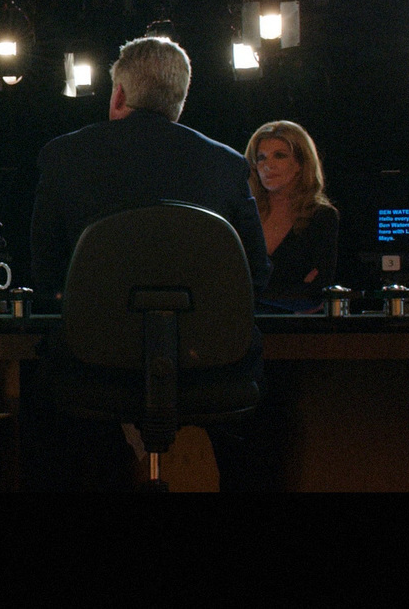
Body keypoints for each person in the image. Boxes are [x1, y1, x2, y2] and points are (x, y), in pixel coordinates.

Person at [26, 35, 271, 490]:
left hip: (90, 369)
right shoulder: (227, 165)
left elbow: (45, 273)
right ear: (179, 102)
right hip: (212, 371)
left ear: (118, 94)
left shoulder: (63, 157)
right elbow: (256, 273)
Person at [245, 120, 340, 314]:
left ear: (300, 163)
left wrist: (249, 292)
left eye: (279, 156)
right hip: (240, 328)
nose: (268, 165)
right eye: (261, 158)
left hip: (294, 332)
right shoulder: (244, 213)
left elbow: (314, 296)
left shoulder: (321, 217)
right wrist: (289, 290)